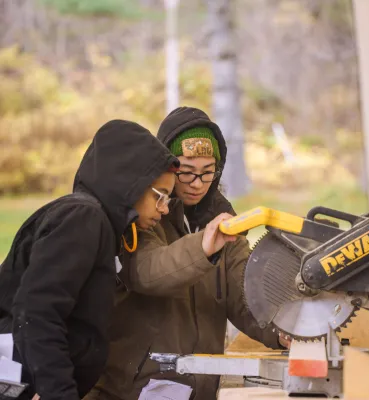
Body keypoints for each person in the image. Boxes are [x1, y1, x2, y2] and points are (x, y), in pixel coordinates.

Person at [85, 107, 285, 400]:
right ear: (165, 166)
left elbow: (247, 295)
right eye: (187, 172)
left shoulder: (224, 220)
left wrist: (284, 328)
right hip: (131, 389)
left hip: (199, 388)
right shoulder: (142, 215)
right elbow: (149, 271)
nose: (197, 185)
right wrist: (203, 246)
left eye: (207, 173)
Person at [0, 119, 181, 400]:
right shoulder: (83, 218)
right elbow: (36, 313)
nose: (165, 209)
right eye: (160, 196)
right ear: (130, 183)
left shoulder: (102, 226)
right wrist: (56, 392)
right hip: (23, 381)